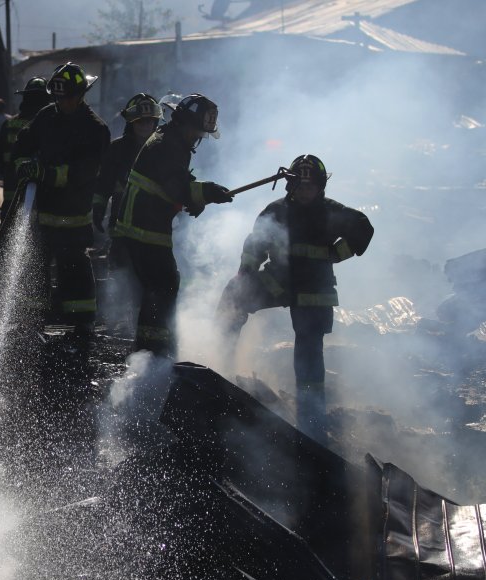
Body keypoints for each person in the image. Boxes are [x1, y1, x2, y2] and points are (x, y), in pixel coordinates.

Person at [215, 154, 373, 439]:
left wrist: (337, 254)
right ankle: (219, 367)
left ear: (321, 187)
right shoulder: (275, 211)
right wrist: (245, 274)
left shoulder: (331, 212)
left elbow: (364, 228)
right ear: (290, 185)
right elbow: (255, 245)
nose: (305, 191)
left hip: (315, 291)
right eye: (300, 185)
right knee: (234, 297)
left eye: (310, 186)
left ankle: (312, 423)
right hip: (279, 282)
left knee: (309, 354)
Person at [111, 93, 233, 357]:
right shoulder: (168, 146)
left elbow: (171, 184)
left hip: (144, 229)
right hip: (145, 232)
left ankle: (153, 351)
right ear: (186, 124)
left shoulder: (170, 139)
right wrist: (207, 193)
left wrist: (197, 198)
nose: (199, 137)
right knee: (163, 287)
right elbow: (175, 187)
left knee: (161, 288)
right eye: (198, 131)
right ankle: (153, 354)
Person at [11, 62, 111, 337]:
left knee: (75, 270)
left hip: (74, 217)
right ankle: (32, 323)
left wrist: (45, 173)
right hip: (42, 214)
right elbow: (23, 145)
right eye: (57, 97)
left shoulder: (95, 129)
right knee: (36, 269)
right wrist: (23, 164)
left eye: (66, 97)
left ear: (80, 95)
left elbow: (84, 173)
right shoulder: (46, 117)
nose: (61, 102)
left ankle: (82, 326)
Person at [92, 93, 163, 336]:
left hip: (155, 228)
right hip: (122, 226)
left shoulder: (163, 150)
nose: (146, 126)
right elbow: (104, 184)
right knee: (123, 275)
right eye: (141, 121)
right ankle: (126, 323)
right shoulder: (117, 149)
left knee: (151, 282)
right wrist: (98, 208)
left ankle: (144, 327)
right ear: (131, 122)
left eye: (150, 121)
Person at [0, 77, 51, 206]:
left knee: (10, 225)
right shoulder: (50, 124)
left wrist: (10, 174)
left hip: (12, 190)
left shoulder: (9, 124)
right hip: (42, 196)